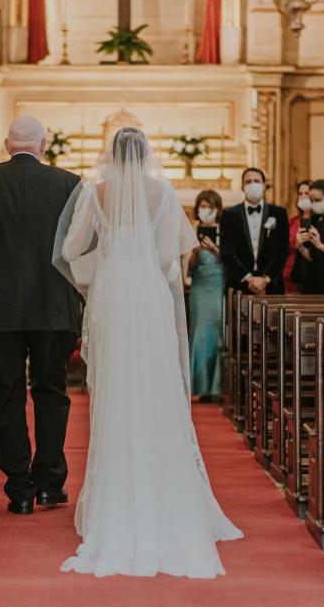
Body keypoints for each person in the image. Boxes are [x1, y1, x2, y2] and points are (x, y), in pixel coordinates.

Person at [54, 126, 242, 578]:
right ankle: (163, 495)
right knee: (154, 389)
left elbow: (68, 250)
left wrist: (103, 264)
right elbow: (167, 258)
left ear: (112, 155)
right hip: (149, 294)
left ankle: (115, 499)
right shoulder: (162, 193)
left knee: (116, 392)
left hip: (114, 294)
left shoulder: (96, 192)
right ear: (147, 155)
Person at [0, 116, 82, 516]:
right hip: (52, 306)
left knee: (5, 395)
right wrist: (78, 304)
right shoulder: (68, 183)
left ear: (6, 144)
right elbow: (80, 251)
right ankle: (49, 483)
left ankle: (20, 489)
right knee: (51, 391)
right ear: (43, 145)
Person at [220, 167, 289, 295]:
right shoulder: (229, 214)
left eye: (256, 181)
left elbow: (283, 249)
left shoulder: (279, 213)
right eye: (248, 182)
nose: (253, 185)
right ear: (242, 187)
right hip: (239, 284)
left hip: (271, 285)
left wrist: (266, 279)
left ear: (264, 185)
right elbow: (227, 251)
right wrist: (249, 278)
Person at [187, 190, 225, 403]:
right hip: (200, 288)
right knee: (200, 333)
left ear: (217, 209)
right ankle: (201, 384)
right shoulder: (191, 230)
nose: (206, 211)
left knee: (218, 332)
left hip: (218, 284)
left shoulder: (224, 230)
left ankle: (217, 386)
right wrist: (195, 252)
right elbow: (188, 269)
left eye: (210, 207)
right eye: (202, 207)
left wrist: (214, 249)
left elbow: (229, 259)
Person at [284, 180, 311, 293]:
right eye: (300, 194)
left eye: (307, 193)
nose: (303, 196)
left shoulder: (319, 221)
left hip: (310, 274)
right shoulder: (292, 221)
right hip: (289, 273)